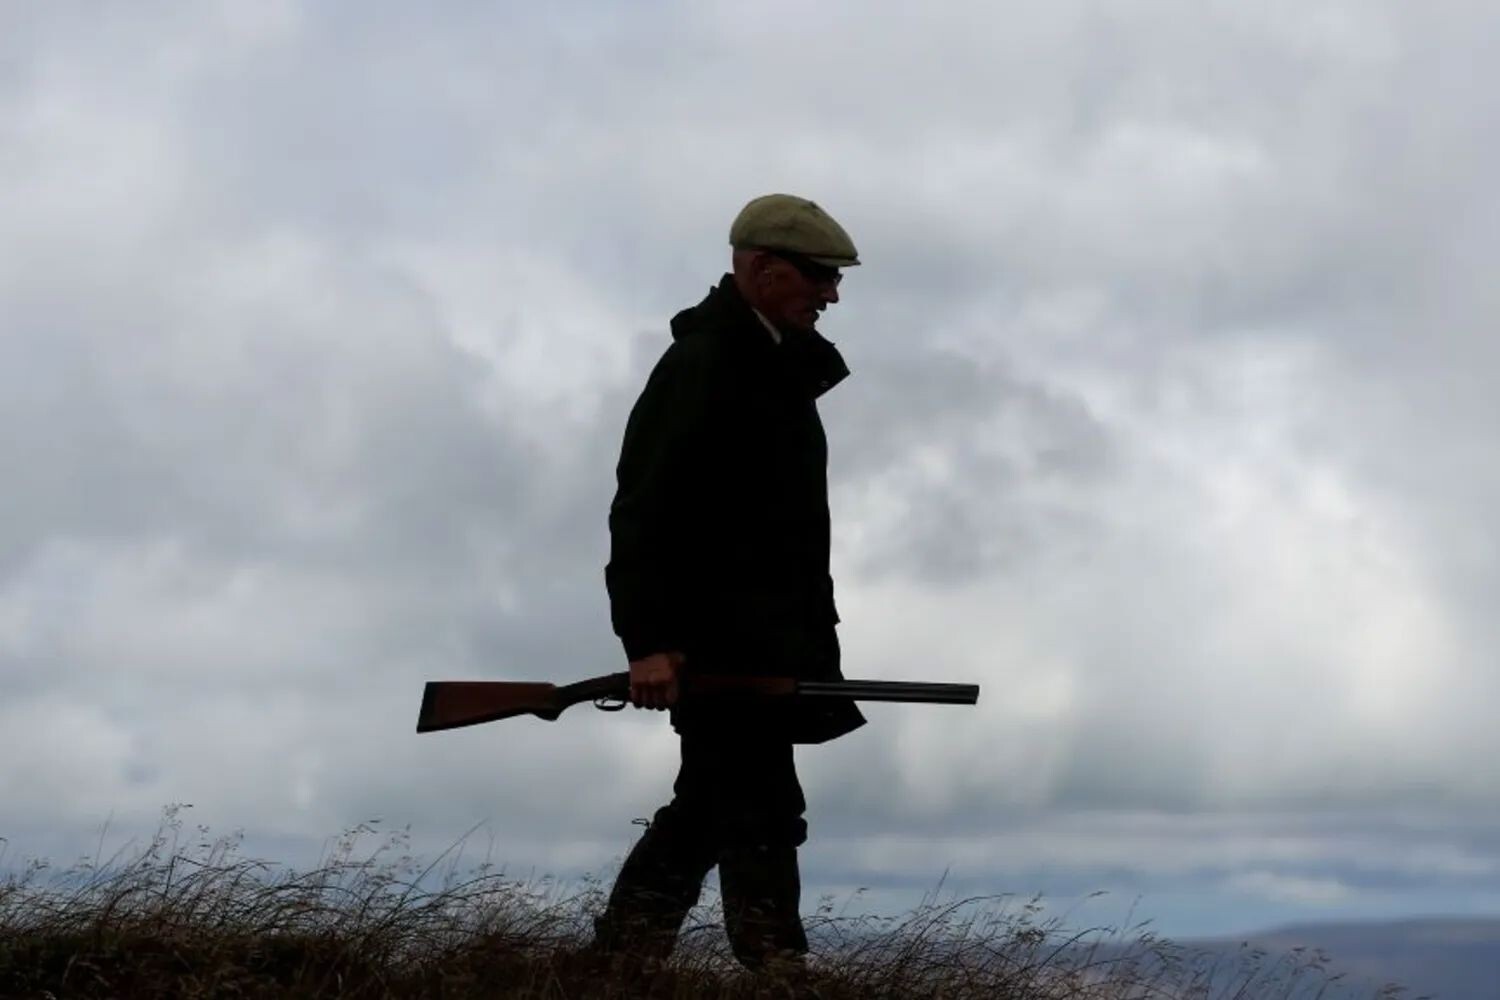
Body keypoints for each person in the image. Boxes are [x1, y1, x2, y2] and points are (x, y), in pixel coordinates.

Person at [589, 193, 868, 980]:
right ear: (762, 270)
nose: (831, 295)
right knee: (736, 805)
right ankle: (748, 964)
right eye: (819, 277)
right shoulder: (706, 365)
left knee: (744, 806)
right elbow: (642, 514)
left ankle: (661, 963)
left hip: (763, 644)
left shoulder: (769, 365)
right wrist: (647, 643)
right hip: (715, 646)